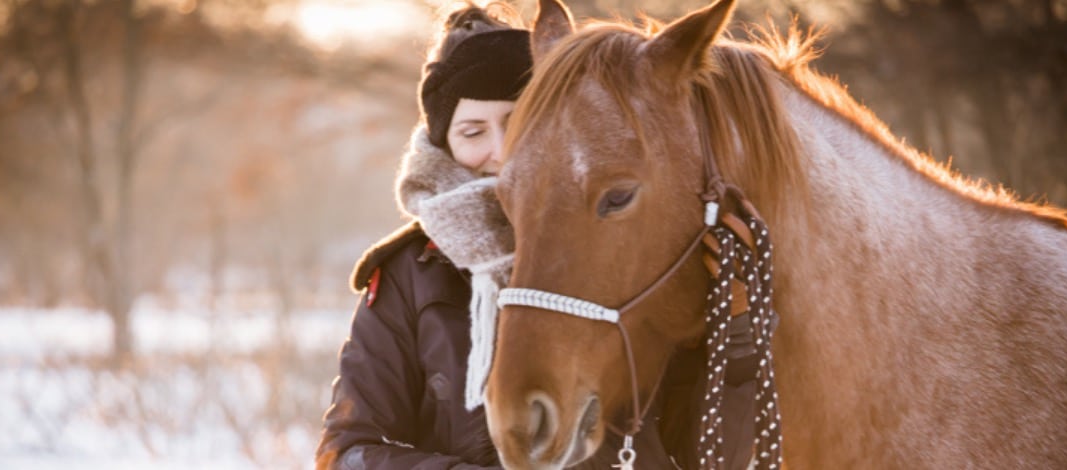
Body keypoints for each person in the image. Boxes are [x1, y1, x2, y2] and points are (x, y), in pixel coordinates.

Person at [314, 3, 759, 469]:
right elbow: (346, 453)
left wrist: (737, 335)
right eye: (472, 132)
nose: (502, 150)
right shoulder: (412, 272)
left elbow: (712, 459)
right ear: (446, 144)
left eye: (517, 120)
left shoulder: (630, 246)